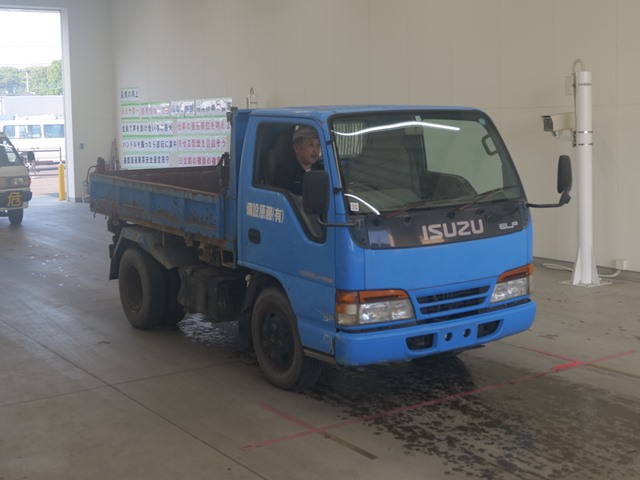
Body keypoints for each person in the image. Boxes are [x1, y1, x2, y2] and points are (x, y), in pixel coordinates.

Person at [273, 125, 322, 194]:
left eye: (318, 145)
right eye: (311, 144)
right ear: (296, 148)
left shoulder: (321, 169)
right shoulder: (286, 170)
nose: (316, 150)